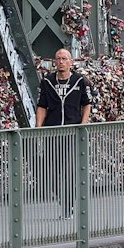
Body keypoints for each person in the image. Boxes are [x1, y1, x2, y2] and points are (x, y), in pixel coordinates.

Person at [34, 49, 92, 218]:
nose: (61, 61)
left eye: (64, 59)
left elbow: (87, 104)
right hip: (52, 132)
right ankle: (63, 200)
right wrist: (38, 127)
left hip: (72, 131)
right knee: (50, 171)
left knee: (68, 170)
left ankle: (68, 207)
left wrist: (83, 125)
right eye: (58, 59)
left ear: (71, 62)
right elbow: (42, 105)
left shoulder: (80, 81)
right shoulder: (47, 82)